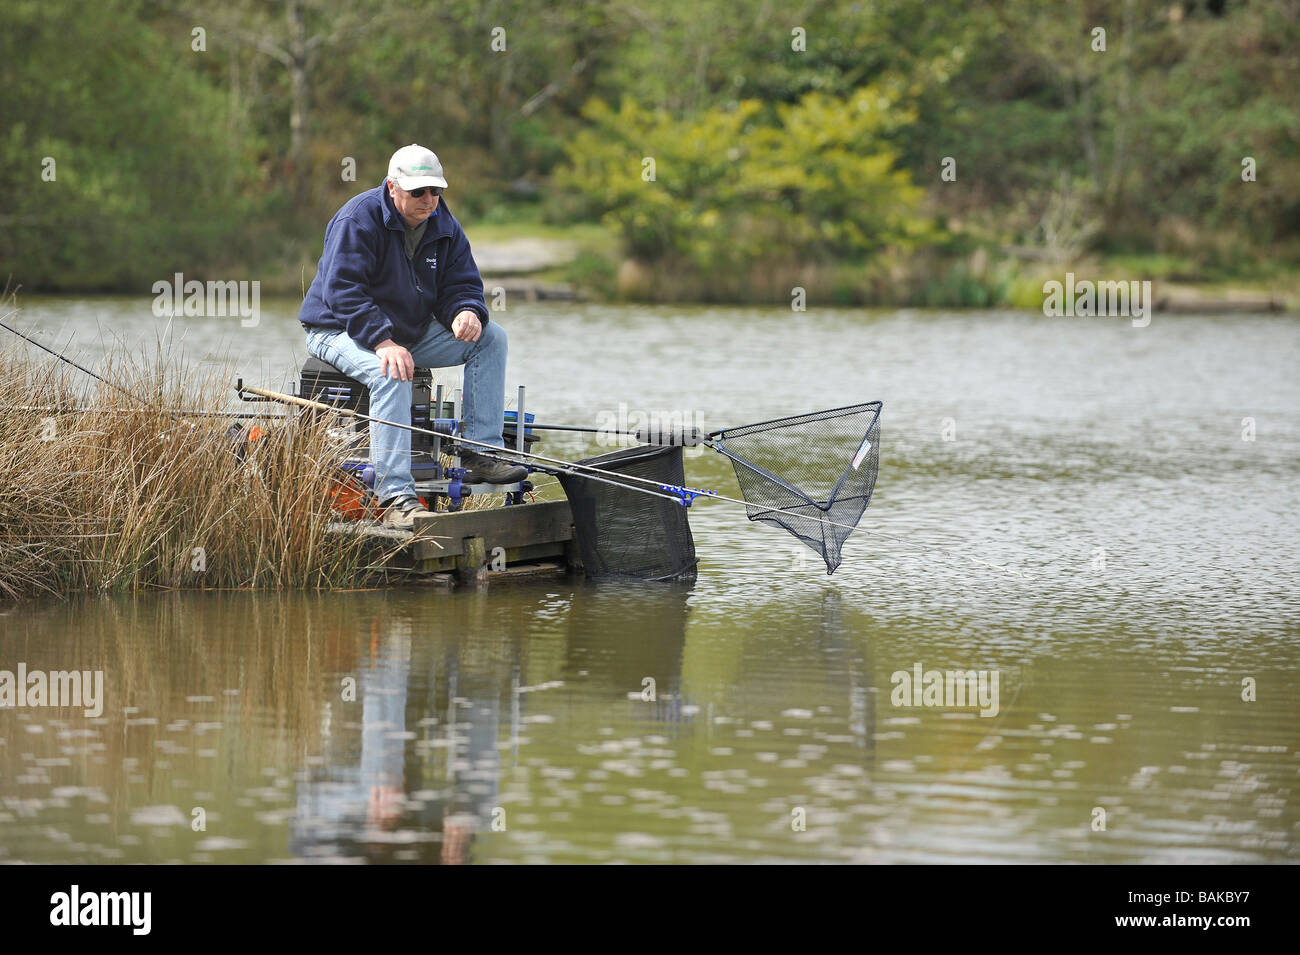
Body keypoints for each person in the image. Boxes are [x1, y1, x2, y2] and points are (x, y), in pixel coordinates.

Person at [299, 144, 526, 529]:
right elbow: (343, 293)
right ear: (392, 187)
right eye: (418, 191)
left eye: (435, 191)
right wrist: (383, 342)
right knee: (391, 371)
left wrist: (465, 311)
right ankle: (397, 498)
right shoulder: (357, 219)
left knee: (492, 338)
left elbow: (463, 283)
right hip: (336, 329)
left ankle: (478, 453)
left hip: (406, 331)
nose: (429, 200)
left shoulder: (445, 225)